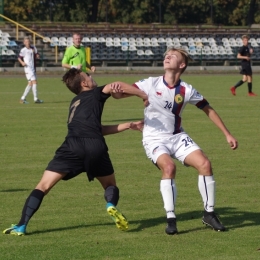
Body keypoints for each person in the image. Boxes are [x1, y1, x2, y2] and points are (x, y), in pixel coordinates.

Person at [3, 68, 147, 236]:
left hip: (72, 146)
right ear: (84, 83)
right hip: (95, 146)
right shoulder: (95, 93)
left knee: (43, 186)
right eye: (88, 76)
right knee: (109, 185)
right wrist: (143, 95)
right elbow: (116, 85)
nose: (92, 77)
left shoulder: (74, 103)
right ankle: (110, 205)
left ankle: (21, 225)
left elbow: (95, 128)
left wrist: (128, 125)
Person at [133, 47, 238, 235]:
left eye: (173, 56)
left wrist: (227, 134)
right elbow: (124, 91)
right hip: (154, 138)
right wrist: (116, 90)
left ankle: (209, 213)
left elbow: (208, 109)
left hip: (178, 136)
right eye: (166, 55)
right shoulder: (151, 83)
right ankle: (171, 218)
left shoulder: (186, 90)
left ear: (181, 65)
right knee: (169, 168)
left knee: (205, 164)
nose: (167, 57)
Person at [18, 37, 43, 104]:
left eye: (28, 41)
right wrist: (22, 62)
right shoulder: (23, 50)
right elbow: (19, 58)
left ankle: (22, 98)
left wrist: (37, 55)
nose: (27, 43)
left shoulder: (33, 48)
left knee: (30, 84)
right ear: (24, 43)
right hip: (27, 68)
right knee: (34, 82)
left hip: (33, 68)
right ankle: (35, 98)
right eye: (26, 42)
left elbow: (37, 54)